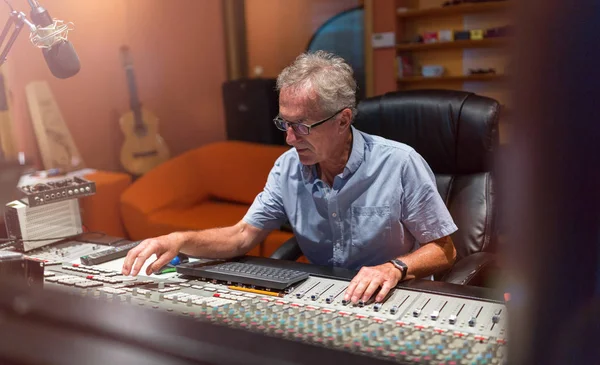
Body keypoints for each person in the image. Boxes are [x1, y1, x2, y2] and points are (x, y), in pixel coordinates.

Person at [122, 51, 457, 304]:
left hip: (393, 297)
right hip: (321, 297)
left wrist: (394, 267)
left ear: (343, 120)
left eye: (302, 126)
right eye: (285, 123)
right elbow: (241, 236)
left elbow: (444, 249)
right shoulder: (287, 168)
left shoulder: (399, 163)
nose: (290, 138)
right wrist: (178, 240)